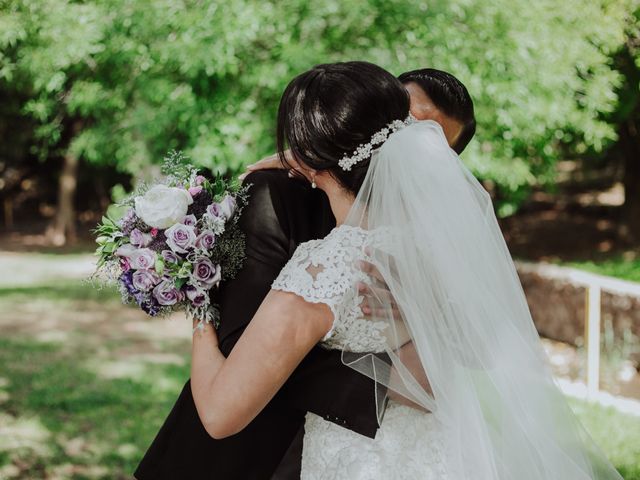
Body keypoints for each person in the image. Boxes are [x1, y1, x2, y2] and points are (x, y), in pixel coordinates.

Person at [188, 61, 622, 479]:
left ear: (312, 156)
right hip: (442, 458)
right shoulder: (436, 245)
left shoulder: (323, 268)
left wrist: (198, 300)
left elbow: (220, 415)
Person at [135, 66, 477, 480]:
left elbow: (221, 411)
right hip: (276, 455)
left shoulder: (342, 258)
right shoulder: (276, 197)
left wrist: (199, 302)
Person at [242, 67, 475, 177]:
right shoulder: (283, 186)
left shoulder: (428, 245)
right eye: (400, 120)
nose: (398, 142)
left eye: (424, 143)